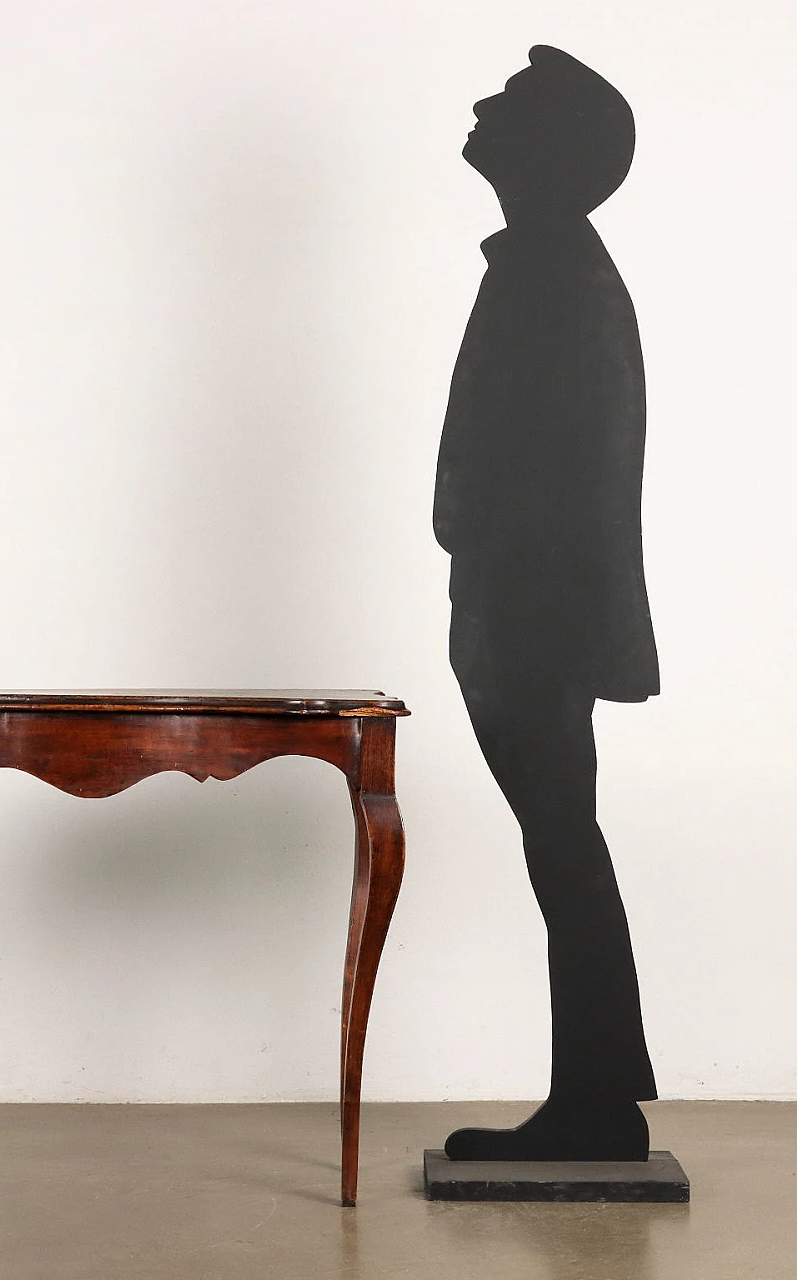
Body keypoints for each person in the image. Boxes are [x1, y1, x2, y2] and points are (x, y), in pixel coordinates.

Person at [434, 45, 658, 1161]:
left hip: (532, 614)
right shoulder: (543, 265)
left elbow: (576, 465)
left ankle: (597, 1101)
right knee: (559, 838)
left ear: (552, 151)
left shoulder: (555, 273)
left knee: (561, 838)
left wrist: (524, 615)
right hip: (519, 607)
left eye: (510, 103)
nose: (481, 105)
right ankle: (598, 1094)